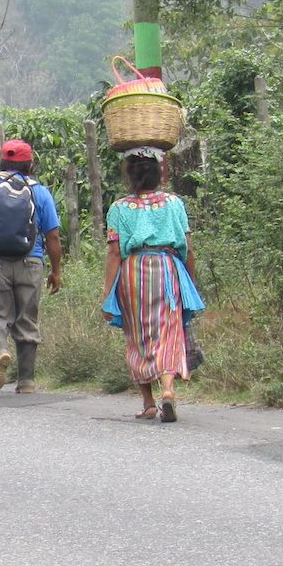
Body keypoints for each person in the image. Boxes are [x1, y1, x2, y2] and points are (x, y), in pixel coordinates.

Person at [101, 148, 205, 422]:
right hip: (168, 270)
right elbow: (188, 248)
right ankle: (168, 390)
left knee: (137, 335)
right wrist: (190, 281)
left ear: (130, 176)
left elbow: (114, 253)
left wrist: (107, 294)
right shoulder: (174, 203)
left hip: (133, 272)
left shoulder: (119, 208)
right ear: (159, 174)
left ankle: (148, 402)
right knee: (169, 331)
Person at [0, 140, 63, 393]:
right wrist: (56, 271)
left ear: (1, 161)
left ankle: (1, 351)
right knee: (27, 320)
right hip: (31, 262)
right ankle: (26, 381)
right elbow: (53, 237)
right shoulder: (40, 192)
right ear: (30, 164)